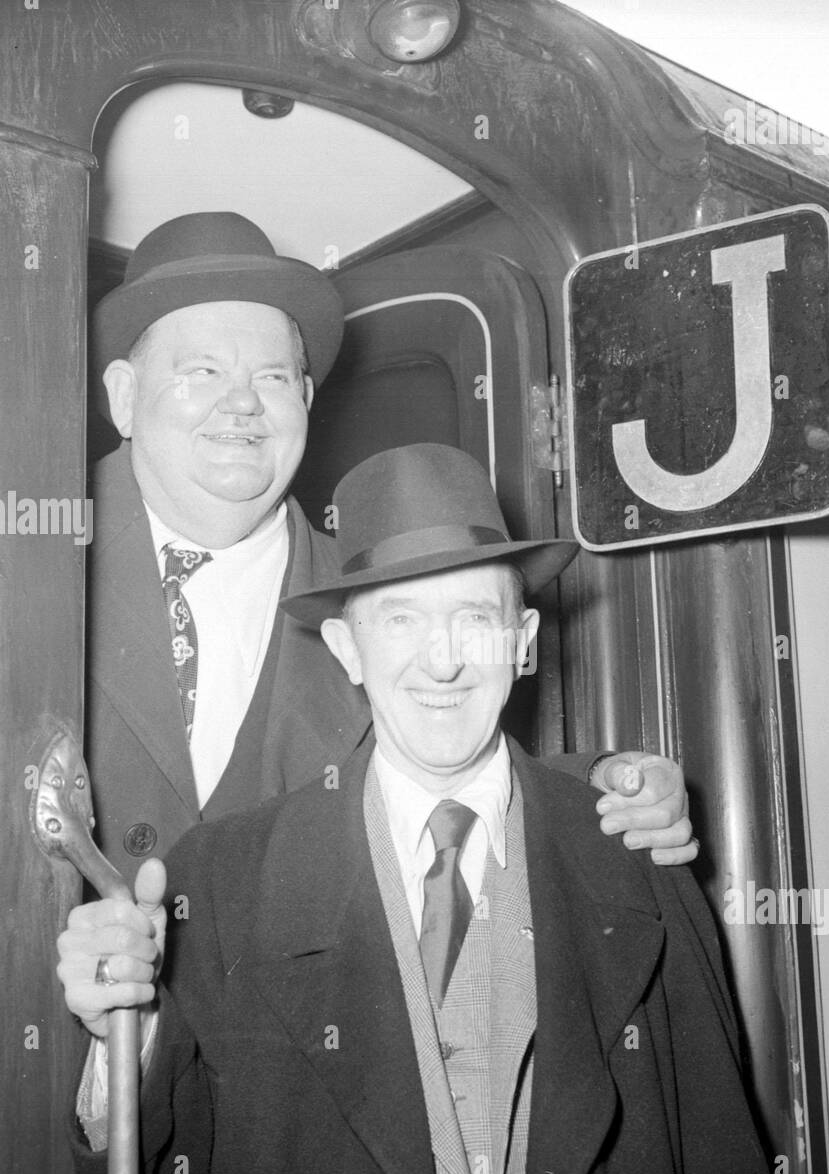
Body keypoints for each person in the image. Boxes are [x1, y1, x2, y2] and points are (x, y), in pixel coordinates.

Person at [59, 444, 806, 1174]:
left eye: (475, 619)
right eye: (402, 620)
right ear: (346, 648)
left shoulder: (631, 859)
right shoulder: (226, 879)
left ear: (522, 642)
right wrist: (125, 1033)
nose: (442, 660)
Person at [87, 210, 696, 881]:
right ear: (124, 396)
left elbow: (454, 771)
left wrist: (606, 787)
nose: (243, 404)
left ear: (308, 398)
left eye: (272, 378)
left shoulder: (370, 594)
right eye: (202, 371)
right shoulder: (33, 560)